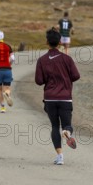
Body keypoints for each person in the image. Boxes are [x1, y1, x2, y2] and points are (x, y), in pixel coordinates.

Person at [35, 28, 80, 165]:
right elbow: (76, 76)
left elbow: (39, 81)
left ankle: (60, 156)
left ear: (47, 42)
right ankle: (67, 132)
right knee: (67, 125)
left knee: (55, 126)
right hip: (65, 97)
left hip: (50, 98)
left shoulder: (42, 60)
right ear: (60, 42)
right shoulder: (67, 59)